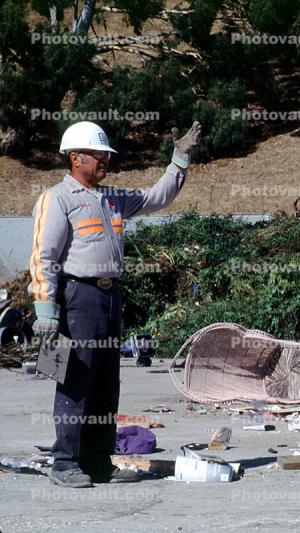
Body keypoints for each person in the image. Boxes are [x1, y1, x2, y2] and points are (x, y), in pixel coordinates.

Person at [30, 121, 202, 488]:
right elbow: (43, 256)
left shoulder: (111, 198)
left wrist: (180, 159)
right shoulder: (57, 199)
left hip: (110, 298)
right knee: (76, 380)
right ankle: (64, 463)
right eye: (98, 154)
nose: (105, 160)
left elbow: (158, 197)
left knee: (107, 383)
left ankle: (97, 461)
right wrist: (45, 310)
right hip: (78, 298)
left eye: (107, 155)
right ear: (75, 158)